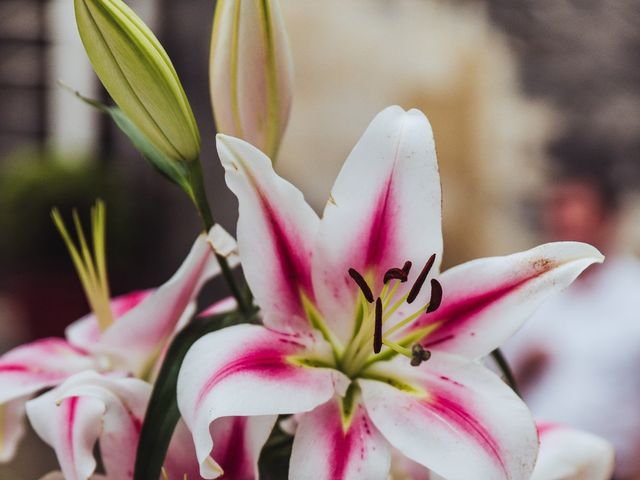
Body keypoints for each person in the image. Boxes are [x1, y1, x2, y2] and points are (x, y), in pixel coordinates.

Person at [504, 139, 640, 480]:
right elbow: (494, 389)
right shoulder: (523, 291)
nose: (562, 218)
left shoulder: (633, 294)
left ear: (608, 218)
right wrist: (522, 370)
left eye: (575, 206)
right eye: (555, 206)